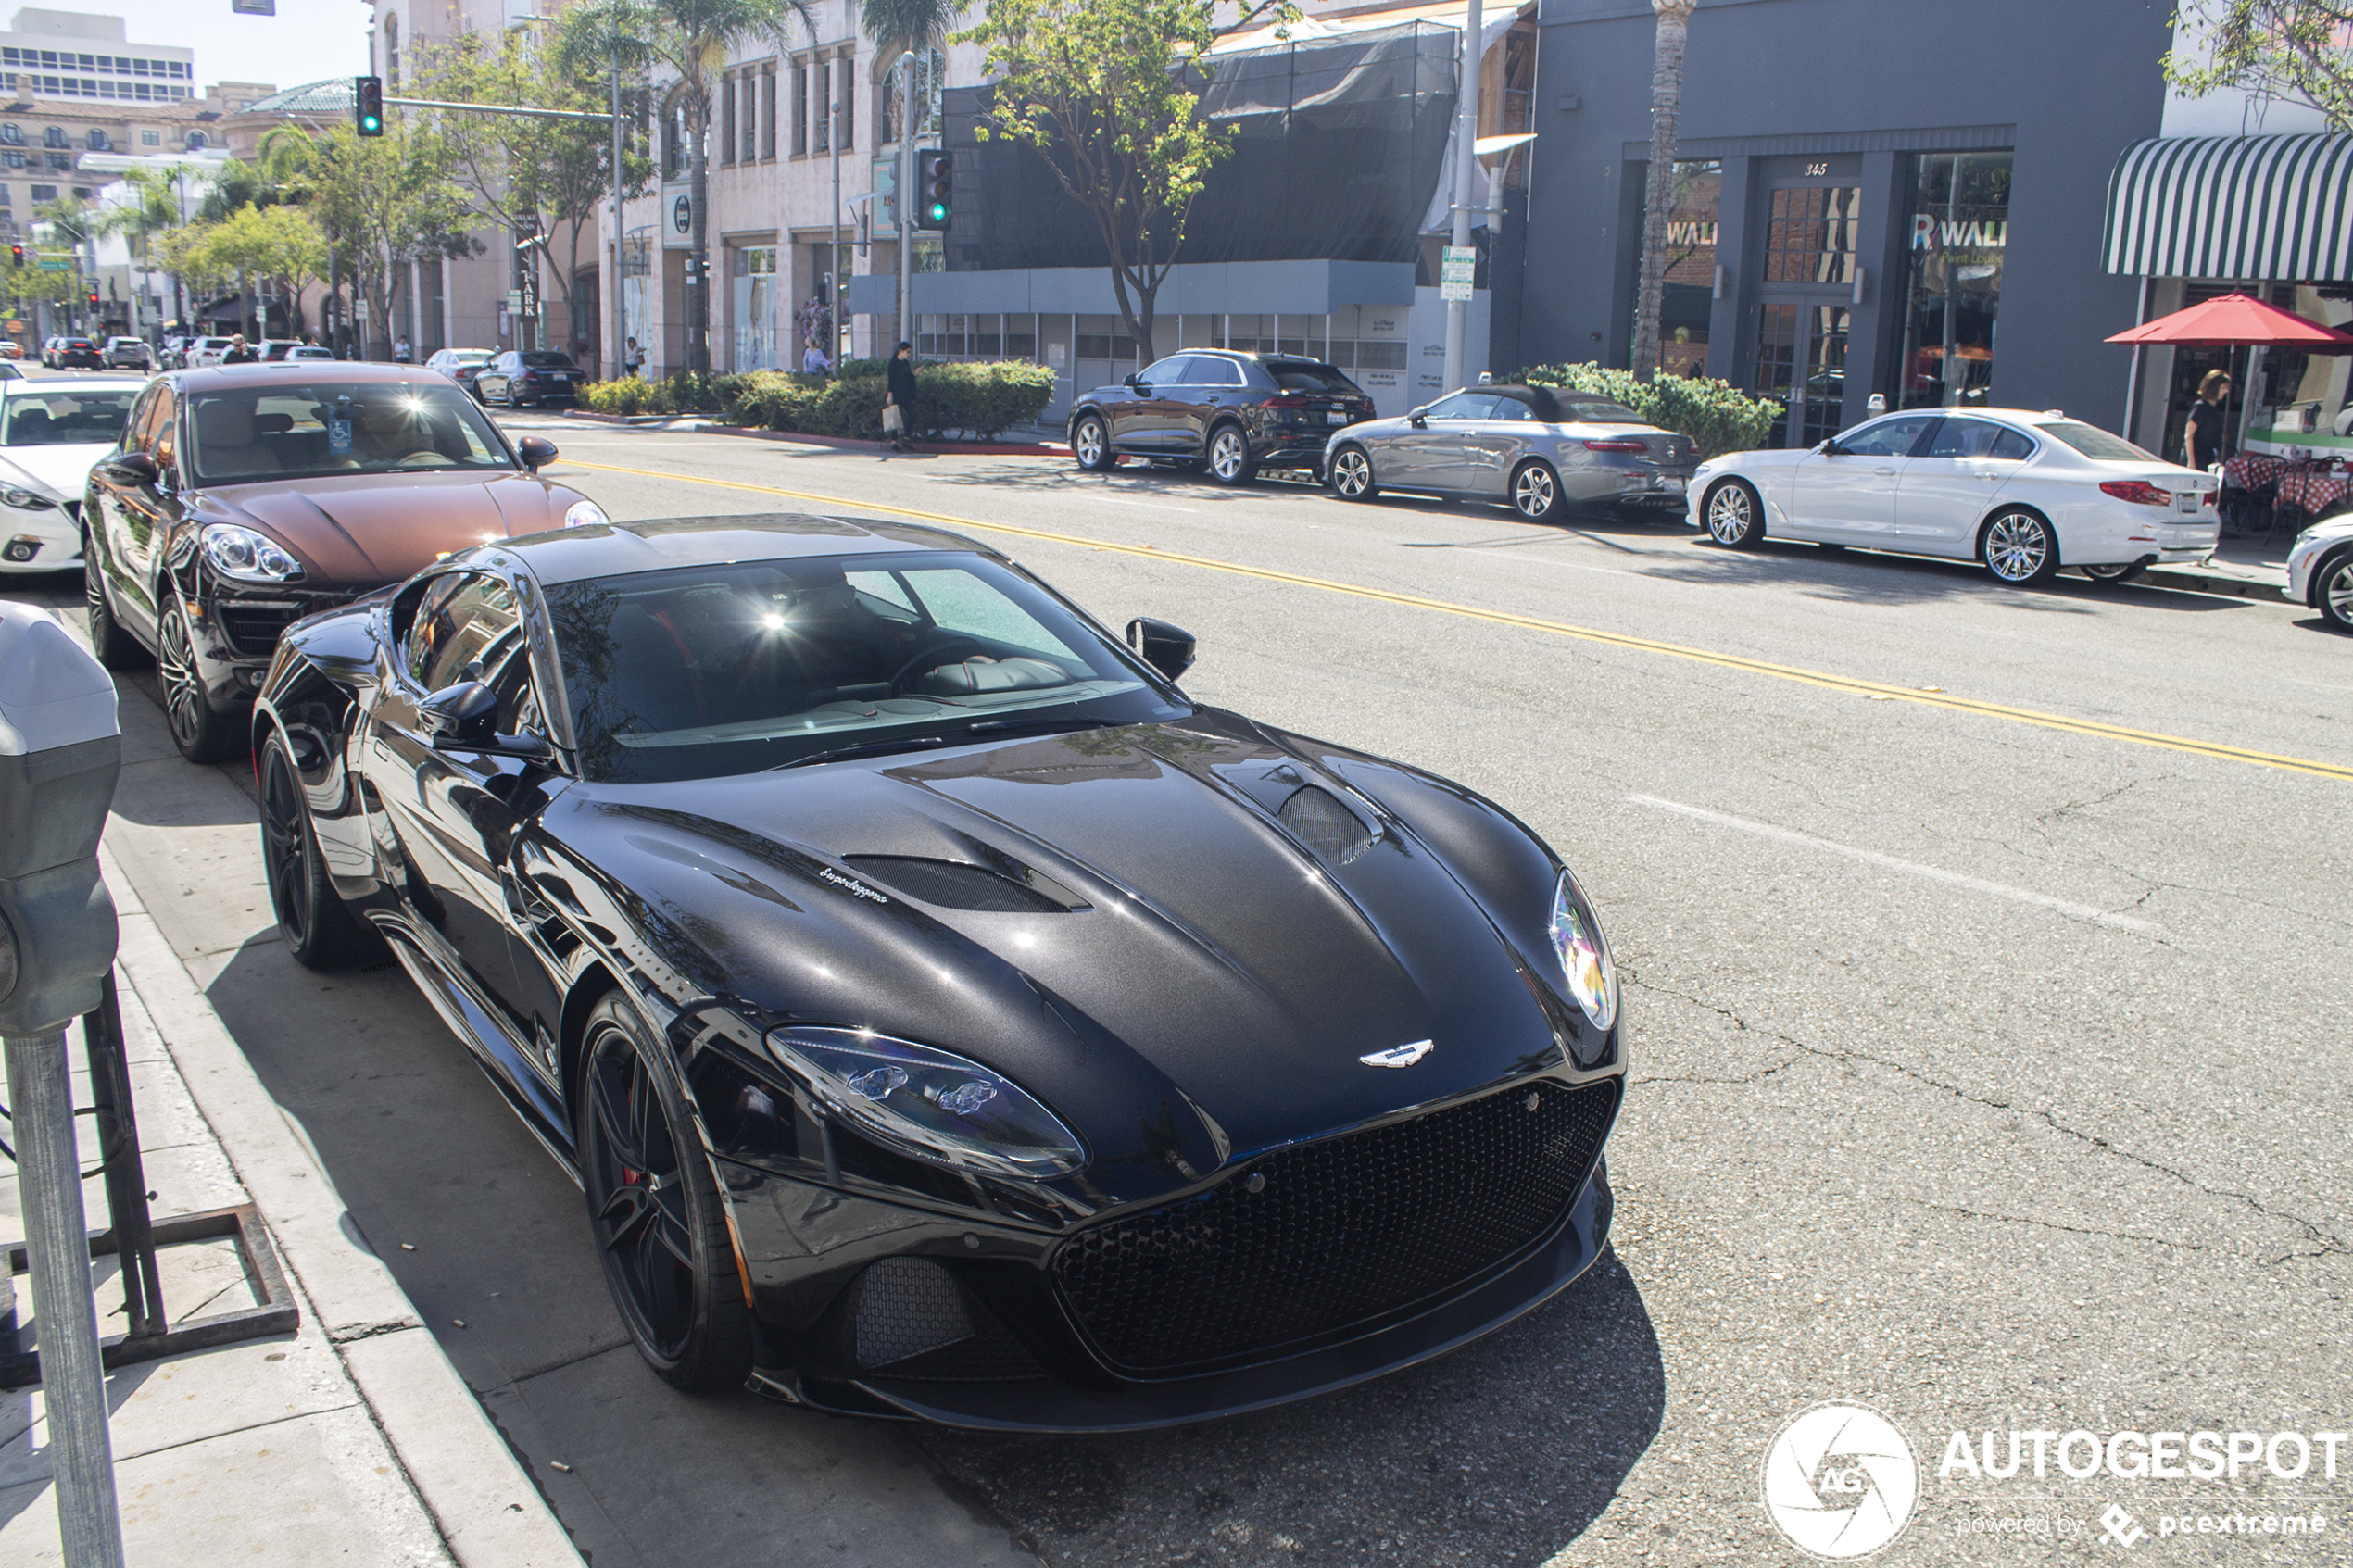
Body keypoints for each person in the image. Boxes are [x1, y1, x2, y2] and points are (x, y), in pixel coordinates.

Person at [2186, 368, 2230, 471]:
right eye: (2223, 387)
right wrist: (2191, 462)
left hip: (2209, 459)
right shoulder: (2200, 408)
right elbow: (2188, 435)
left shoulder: (2215, 410)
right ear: (2214, 387)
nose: (2226, 391)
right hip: (2197, 460)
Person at [883, 340, 917, 452]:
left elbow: (908, 378)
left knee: (912, 415)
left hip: (906, 394)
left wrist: (914, 375)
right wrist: (890, 394)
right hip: (896, 393)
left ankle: (906, 439)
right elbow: (891, 380)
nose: (908, 354)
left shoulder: (906, 363)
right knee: (895, 416)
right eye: (907, 352)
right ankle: (894, 442)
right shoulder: (893, 363)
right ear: (900, 351)